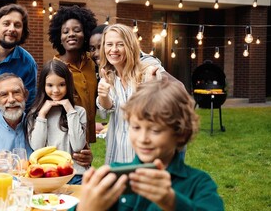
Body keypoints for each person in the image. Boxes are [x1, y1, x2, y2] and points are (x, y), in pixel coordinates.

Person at [76, 79, 224, 211]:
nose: (143, 138)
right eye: (136, 127)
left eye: (155, 130)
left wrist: (171, 201)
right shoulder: (115, 177)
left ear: (181, 134)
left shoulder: (198, 184)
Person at [97, 23, 173, 164]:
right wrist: (103, 94)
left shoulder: (148, 72)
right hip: (116, 151)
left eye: (120, 44)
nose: (113, 49)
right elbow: (107, 110)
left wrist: (149, 86)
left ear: (130, 46)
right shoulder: (108, 76)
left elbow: (159, 113)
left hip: (144, 153)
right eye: (109, 44)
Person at [26, 60, 87, 184]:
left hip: (76, 175)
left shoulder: (78, 112)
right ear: (43, 85)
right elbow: (37, 147)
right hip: (48, 175)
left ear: (68, 85)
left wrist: (69, 110)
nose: (56, 90)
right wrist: (42, 115)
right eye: (50, 85)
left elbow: (78, 146)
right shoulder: (35, 114)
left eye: (61, 84)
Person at [48, 5, 98, 144]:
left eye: (77, 30)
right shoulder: (55, 69)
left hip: (86, 133)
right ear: (59, 37)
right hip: (64, 135)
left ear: (86, 34)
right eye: (65, 31)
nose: (71, 34)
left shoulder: (92, 62)